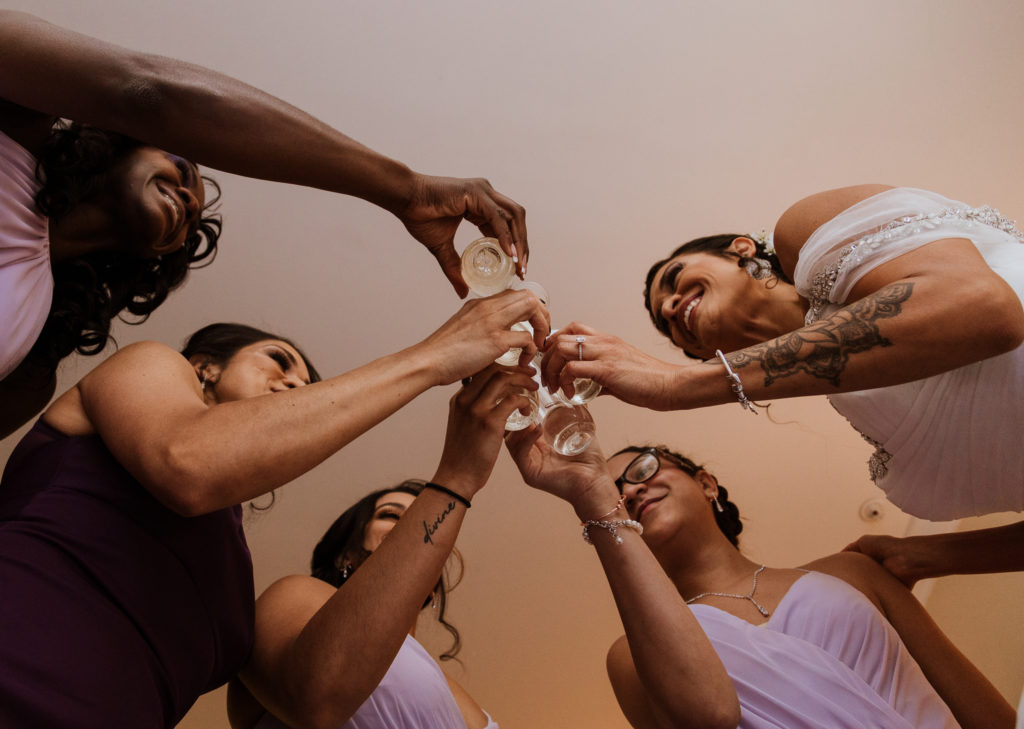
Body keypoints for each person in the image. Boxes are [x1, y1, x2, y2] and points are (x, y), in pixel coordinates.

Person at [0, 292, 544, 729]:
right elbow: (188, 462)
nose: (295, 384)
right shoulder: (149, 365)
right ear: (203, 367)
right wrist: (434, 356)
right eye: (279, 362)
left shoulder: (235, 587)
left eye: (307, 386)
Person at [0, 9, 531, 438]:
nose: (188, 199)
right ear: (124, 140)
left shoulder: (32, 359)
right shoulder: (18, 123)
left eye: (190, 218)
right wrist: (407, 190)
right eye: (183, 170)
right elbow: (146, 92)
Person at [541, 184, 1024, 573]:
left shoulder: (804, 228)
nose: (670, 307)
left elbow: (985, 309)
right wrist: (932, 557)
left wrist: (679, 385)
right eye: (669, 326)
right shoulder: (863, 403)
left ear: (741, 250)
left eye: (674, 279)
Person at [503, 433, 1014, 728]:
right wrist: (591, 497)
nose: (630, 491)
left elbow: (967, 694)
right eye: (613, 491)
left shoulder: (849, 572)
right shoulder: (633, 657)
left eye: (641, 470)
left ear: (706, 484)